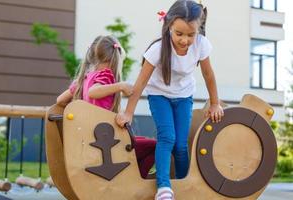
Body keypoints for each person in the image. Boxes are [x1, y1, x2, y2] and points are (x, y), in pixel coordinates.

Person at [115, 1, 224, 199]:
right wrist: (128, 112)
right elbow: (140, 83)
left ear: (198, 30)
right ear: (169, 27)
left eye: (191, 34)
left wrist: (215, 102)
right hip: (159, 96)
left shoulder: (201, 44)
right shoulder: (157, 49)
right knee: (167, 138)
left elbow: (208, 74)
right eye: (179, 34)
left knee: (181, 145)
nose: (185, 40)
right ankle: (163, 187)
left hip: (184, 97)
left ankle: (183, 184)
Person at [56, 35, 156, 179]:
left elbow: (60, 100)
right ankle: (134, 180)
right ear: (115, 59)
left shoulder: (84, 79)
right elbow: (93, 92)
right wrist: (120, 86)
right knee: (154, 146)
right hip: (106, 142)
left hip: (90, 139)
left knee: (140, 140)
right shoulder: (106, 75)